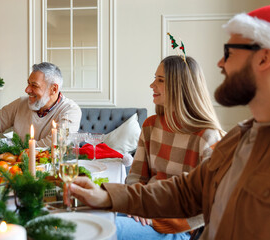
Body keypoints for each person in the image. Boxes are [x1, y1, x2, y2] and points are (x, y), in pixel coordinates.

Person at [70, 5, 270, 239]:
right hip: (147, 210)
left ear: (264, 58)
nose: (219, 63)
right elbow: (187, 192)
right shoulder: (239, 137)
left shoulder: (212, 137)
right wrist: (107, 197)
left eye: (229, 52)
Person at [117, 55, 224, 240]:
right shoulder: (150, 125)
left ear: (179, 87)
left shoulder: (208, 136)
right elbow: (136, 177)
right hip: (143, 210)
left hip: (176, 227)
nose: (152, 85)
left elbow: (210, 202)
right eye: (154, 78)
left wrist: (156, 219)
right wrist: (138, 205)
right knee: (87, 215)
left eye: (160, 80)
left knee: (104, 229)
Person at [0, 62, 81, 147]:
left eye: (34, 85)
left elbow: (57, 143)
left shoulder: (70, 110)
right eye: (28, 83)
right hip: (15, 163)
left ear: (53, 89)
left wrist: (19, 151)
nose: (27, 90)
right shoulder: (20, 104)